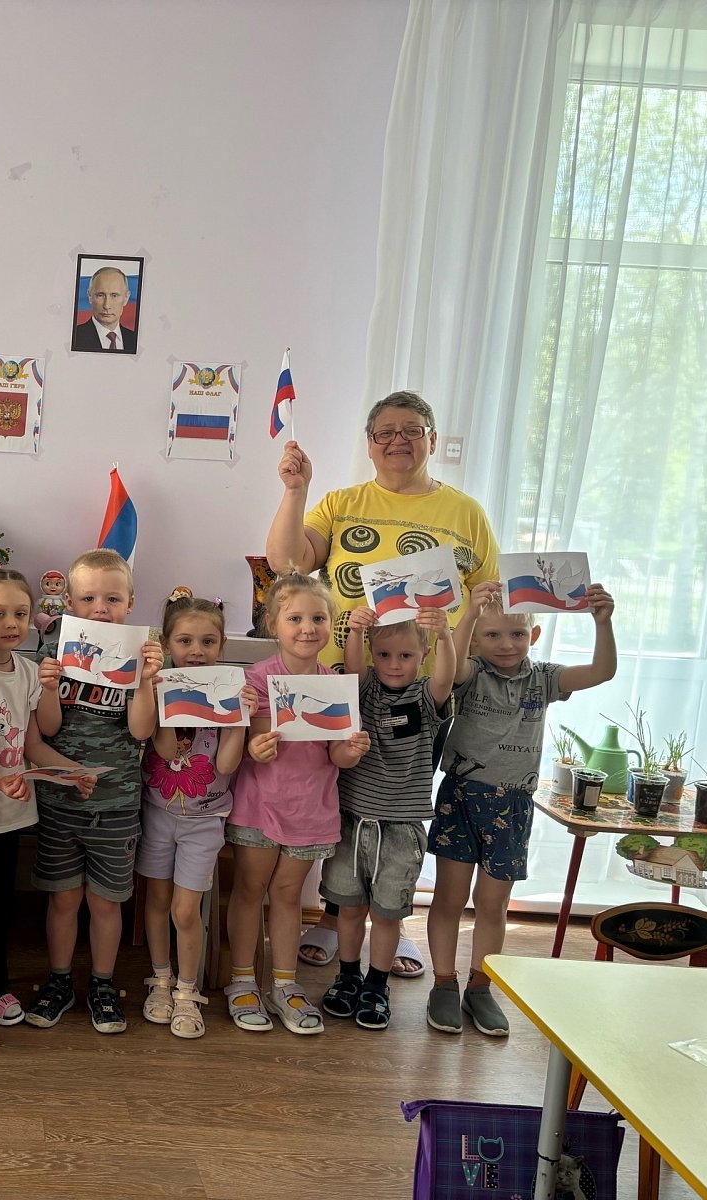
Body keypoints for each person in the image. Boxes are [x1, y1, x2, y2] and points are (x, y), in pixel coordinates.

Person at [266, 389, 500, 976]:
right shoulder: (341, 503)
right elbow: (287, 562)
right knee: (344, 802)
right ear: (369, 444)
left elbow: (490, 601)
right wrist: (295, 491)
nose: (399, 440)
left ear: (432, 439)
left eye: (412, 430)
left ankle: (392, 924)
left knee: (400, 806)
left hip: (428, 688)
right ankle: (333, 915)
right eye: (385, 432)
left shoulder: (467, 513)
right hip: (346, 684)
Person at [427, 580, 616, 1037]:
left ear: (533, 635)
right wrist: (469, 615)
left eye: (516, 634)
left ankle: (480, 987)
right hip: (461, 797)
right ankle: (444, 982)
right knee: (450, 898)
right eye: (492, 635)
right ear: (475, 640)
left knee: (493, 904)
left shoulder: (544, 678)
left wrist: (603, 623)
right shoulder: (470, 671)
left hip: (512, 805)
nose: (506, 644)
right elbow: (452, 668)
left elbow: (601, 672)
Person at [0, 569, 94, 1050]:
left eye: (21, 613)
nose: (12, 623)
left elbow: (37, 740)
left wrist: (74, 770)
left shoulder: (29, 671)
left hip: (12, 814)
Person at [224, 574, 371, 1036]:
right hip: (260, 807)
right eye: (295, 618)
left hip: (311, 810)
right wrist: (256, 747)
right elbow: (248, 744)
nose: (308, 628)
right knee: (250, 890)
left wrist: (353, 749)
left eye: (318, 618)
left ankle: (284, 984)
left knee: (288, 895)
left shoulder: (337, 685)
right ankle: (242, 981)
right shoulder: (255, 679)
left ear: (330, 624)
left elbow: (338, 756)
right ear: (274, 623)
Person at [25, 549, 162, 1035]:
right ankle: (60, 980)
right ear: (69, 603)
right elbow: (46, 728)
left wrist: (146, 683)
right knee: (63, 900)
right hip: (60, 802)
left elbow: (142, 732)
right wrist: (48, 687)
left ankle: (103, 983)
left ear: (130, 603)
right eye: (87, 599)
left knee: (106, 903)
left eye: (112, 599)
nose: (100, 609)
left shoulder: (143, 652)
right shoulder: (53, 649)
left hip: (117, 804)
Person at [319, 606, 459, 1032]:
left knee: (386, 915)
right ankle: (347, 977)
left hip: (401, 829)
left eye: (405, 656)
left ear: (423, 655)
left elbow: (446, 677)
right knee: (348, 909)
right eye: (384, 655)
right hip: (351, 821)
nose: (394, 664)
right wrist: (356, 632)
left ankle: (376, 985)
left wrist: (445, 636)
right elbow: (354, 667)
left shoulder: (425, 696)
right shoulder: (364, 691)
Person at [138, 596, 255, 1040]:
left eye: (208, 642)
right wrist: (165, 698)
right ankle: (160, 979)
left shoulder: (229, 691)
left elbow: (225, 765)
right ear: (168, 643)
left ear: (222, 646)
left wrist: (239, 717)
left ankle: (188, 991)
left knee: (186, 909)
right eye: (185, 641)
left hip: (205, 821)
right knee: (156, 899)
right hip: (157, 813)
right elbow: (167, 749)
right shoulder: (157, 687)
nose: (196, 650)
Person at [71, 265, 139, 353]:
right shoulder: (74, 337)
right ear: (90, 296)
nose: (106, 306)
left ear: (126, 298)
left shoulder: (135, 340)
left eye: (114, 296)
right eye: (100, 295)